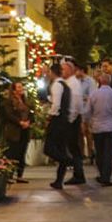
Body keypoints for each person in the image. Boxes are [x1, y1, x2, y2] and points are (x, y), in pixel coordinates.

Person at [85, 72, 112, 186]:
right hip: (111, 126)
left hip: (97, 128)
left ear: (99, 82)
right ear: (110, 82)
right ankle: (106, 177)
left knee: (100, 152)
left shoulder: (93, 95)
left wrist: (85, 122)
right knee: (108, 152)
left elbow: (87, 111)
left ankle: (101, 173)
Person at [44, 62, 71, 190]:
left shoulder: (57, 85)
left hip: (58, 120)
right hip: (64, 119)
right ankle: (59, 180)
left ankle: (66, 160)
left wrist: (50, 117)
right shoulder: (66, 85)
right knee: (60, 148)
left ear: (52, 73)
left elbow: (57, 105)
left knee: (48, 148)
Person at [61, 60, 85, 184]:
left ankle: (78, 174)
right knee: (73, 147)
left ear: (70, 70)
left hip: (72, 120)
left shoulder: (73, 84)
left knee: (73, 147)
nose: (62, 72)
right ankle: (78, 173)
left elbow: (75, 104)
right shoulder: (70, 83)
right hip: (72, 119)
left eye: (64, 69)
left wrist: (69, 120)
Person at [3, 80, 32, 182]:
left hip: (24, 130)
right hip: (14, 131)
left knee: (22, 153)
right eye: (19, 87)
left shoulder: (25, 101)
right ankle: (9, 175)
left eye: (21, 87)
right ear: (14, 90)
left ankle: (20, 175)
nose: (21, 89)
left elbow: (30, 113)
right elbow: (9, 115)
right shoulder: (9, 102)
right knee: (12, 153)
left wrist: (28, 122)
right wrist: (20, 122)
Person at [77, 62, 97, 162]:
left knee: (89, 132)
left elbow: (92, 97)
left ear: (81, 71)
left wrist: (81, 97)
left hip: (87, 110)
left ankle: (90, 153)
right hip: (78, 110)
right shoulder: (77, 81)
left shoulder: (89, 81)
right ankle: (81, 154)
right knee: (79, 133)